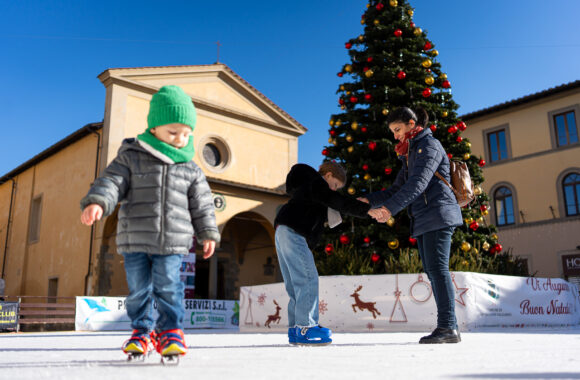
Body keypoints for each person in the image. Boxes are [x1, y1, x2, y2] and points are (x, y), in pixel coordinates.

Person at [80, 85, 220, 357]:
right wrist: (97, 201)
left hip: (172, 241)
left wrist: (208, 233)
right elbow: (111, 182)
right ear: (154, 128)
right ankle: (141, 332)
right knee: (138, 290)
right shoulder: (131, 157)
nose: (181, 139)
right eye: (173, 132)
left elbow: (202, 203)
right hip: (135, 239)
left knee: (169, 286)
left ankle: (170, 332)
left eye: (187, 133)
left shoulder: (190, 168)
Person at [360, 107, 463, 344]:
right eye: (393, 132)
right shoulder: (410, 152)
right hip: (424, 217)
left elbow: (417, 184)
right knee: (433, 271)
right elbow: (397, 188)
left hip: (438, 214)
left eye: (397, 129)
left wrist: (388, 210)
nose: (395, 136)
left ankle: (448, 327)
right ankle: (450, 327)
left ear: (410, 123)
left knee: (438, 270)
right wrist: (369, 200)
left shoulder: (429, 146)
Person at [274, 162, 376, 345]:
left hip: (283, 231)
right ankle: (307, 327)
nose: (334, 190)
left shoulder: (308, 188)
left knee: (295, 283)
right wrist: (365, 210)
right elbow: (335, 200)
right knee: (307, 278)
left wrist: (354, 206)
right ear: (328, 175)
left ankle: (296, 330)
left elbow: (332, 207)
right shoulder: (316, 183)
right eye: (335, 185)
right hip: (294, 232)